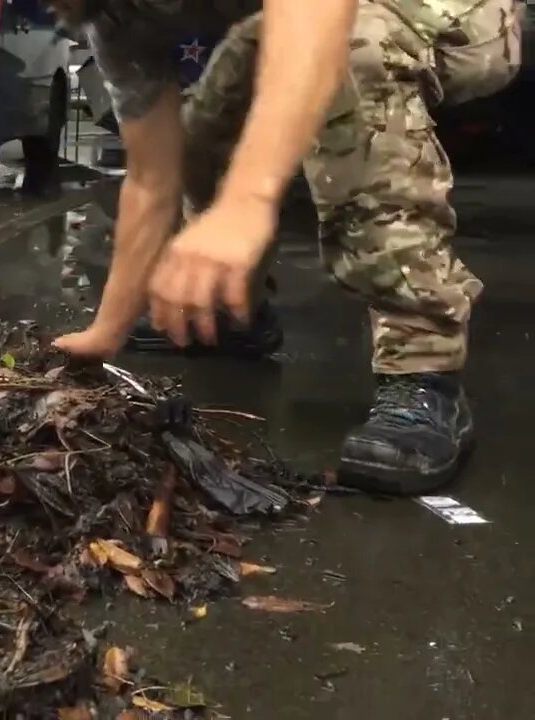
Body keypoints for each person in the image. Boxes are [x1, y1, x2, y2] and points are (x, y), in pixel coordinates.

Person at [44, 0, 523, 495]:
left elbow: (319, 18)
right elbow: (150, 177)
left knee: (352, 53)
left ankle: (424, 368)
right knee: (207, 123)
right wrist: (106, 330)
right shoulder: (113, 19)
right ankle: (230, 308)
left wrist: (246, 201)